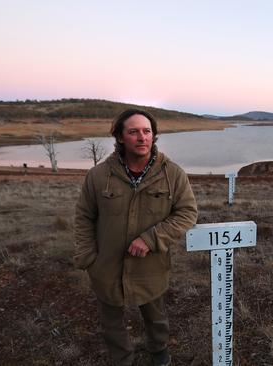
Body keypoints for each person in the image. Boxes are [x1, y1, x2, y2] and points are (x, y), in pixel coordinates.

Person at [74, 109, 198, 366]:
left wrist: (151, 239)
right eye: (133, 132)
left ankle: (159, 352)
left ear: (154, 136)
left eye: (147, 131)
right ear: (120, 137)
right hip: (106, 265)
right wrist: (88, 258)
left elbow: (187, 213)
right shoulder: (98, 176)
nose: (142, 137)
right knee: (111, 323)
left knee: (155, 317)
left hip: (151, 265)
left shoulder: (172, 174)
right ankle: (122, 360)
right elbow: (84, 217)